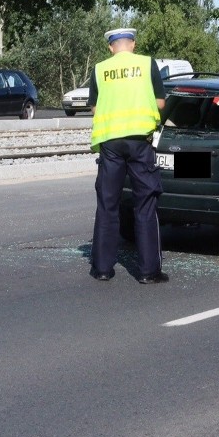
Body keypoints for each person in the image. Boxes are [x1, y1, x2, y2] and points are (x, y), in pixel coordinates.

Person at [88, 27, 168, 284]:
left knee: (107, 204)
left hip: (110, 143)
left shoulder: (100, 69)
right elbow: (160, 103)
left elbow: (94, 106)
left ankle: (102, 269)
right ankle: (148, 272)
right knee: (145, 204)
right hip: (139, 143)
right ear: (133, 44)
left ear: (111, 47)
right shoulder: (146, 64)